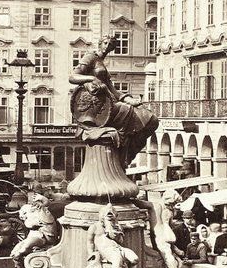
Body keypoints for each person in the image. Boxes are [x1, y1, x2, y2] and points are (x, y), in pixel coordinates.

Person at [68, 35, 159, 169]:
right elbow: (73, 77)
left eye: (111, 44)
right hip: (96, 108)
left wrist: (130, 99)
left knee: (151, 121)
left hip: (108, 104)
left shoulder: (101, 62)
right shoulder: (90, 57)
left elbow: (114, 91)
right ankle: (123, 156)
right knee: (129, 112)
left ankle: (126, 154)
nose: (108, 46)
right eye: (105, 43)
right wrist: (92, 79)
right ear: (100, 44)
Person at [11, 194, 59, 268]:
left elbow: (30, 224)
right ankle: (19, 267)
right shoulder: (32, 211)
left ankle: (20, 261)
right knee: (16, 251)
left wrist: (42, 199)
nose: (35, 205)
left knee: (23, 249)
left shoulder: (43, 211)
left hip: (45, 236)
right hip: (37, 235)